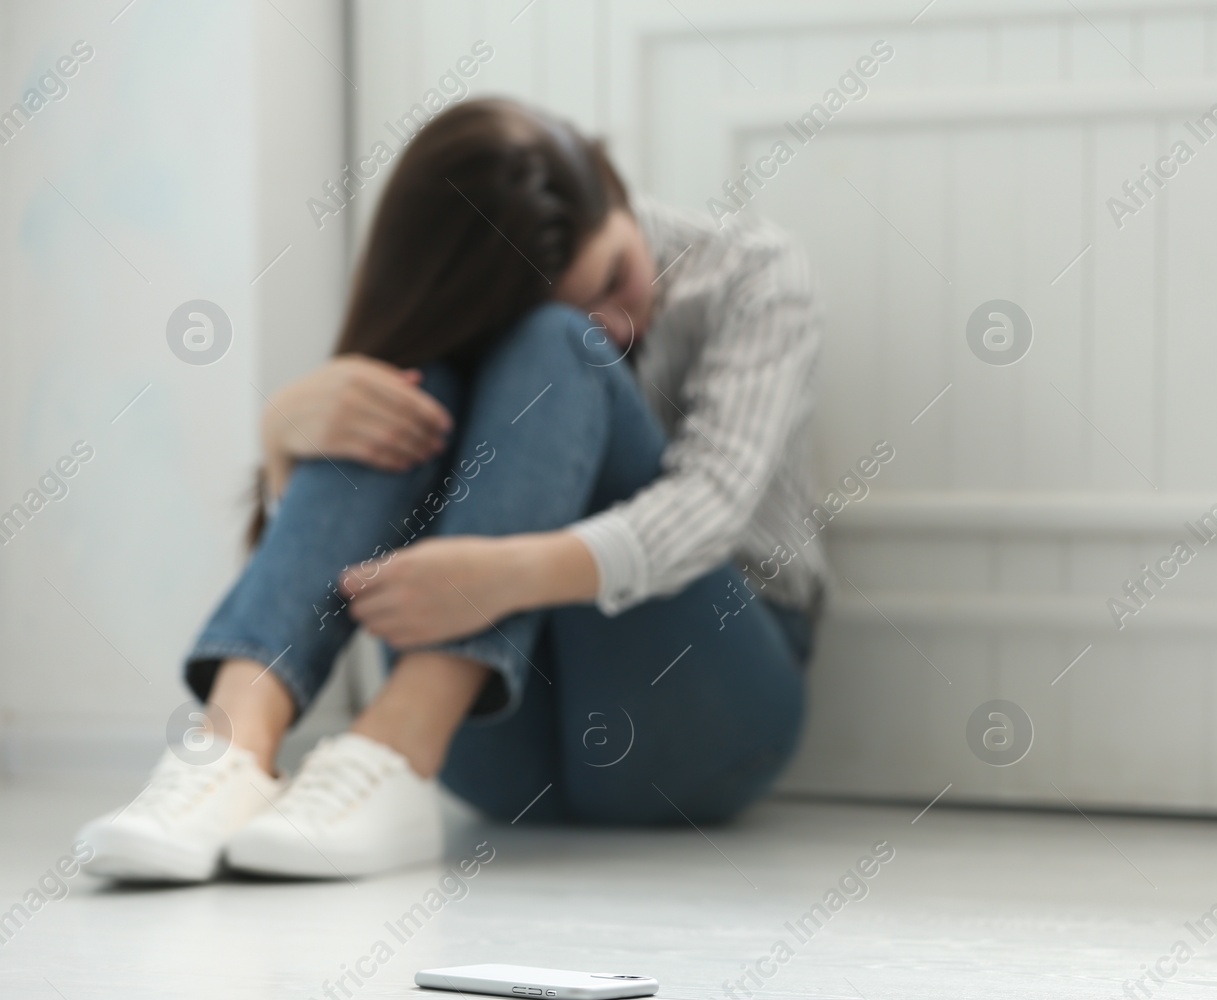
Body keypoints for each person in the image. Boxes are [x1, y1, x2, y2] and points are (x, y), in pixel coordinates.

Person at [76, 99, 824, 882]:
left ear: (611, 181)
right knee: (404, 382)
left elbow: (712, 503)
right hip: (502, 751)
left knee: (558, 343)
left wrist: (503, 576)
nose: (619, 323)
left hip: (706, 713)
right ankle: (227, 752)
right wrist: (283, 438)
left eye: (614, 278)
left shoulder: (756, 273)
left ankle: (393, 746)